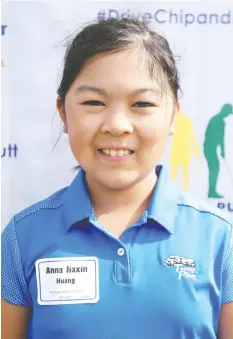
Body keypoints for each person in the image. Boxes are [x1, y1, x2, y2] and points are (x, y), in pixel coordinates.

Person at [1, 18, 233, 339]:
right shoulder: (21, 237)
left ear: (173, 116)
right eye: (94, 102)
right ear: (64, 113)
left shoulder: (220, 240)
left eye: (142, 104)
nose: (117, 125)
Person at [203, 103, 233, 198]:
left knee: (215, 168)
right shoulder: (217, 121)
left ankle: (212, 191)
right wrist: (221, 151)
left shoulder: (218, 120)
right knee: (214, 168)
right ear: (224, 111)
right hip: (209, 147)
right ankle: (211, 192)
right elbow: (218, 137)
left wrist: (222, 151)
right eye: (228, 113)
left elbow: (221, 138)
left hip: (210, 147)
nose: (228, 115)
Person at [169, 109, 200, 192]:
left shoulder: (186, 120)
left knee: (184, 171)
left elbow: (191, 134)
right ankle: (170, 190)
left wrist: (196, 147)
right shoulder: (173, 121)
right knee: (174, 171)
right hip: (177, 148)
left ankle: (185, 191)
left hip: (185, 148)